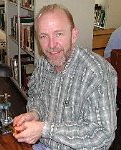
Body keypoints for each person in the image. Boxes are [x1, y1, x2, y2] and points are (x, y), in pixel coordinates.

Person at [13, 4, 117, 150]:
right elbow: (36, 95)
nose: (51, 45)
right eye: (44, 36)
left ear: (73, 35)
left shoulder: (96, 73)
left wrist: (44, 129)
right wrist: (35, 113)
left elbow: (102, 136)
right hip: (42, 144)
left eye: (59, 34)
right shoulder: (44, 62)